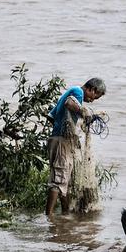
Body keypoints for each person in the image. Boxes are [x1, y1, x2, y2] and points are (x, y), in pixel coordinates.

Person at [46, 77, 106, 218]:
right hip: (62, 141)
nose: (92, 100)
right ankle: (48, 217)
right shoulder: (77, 91)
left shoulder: (73, 92)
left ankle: (66, 213)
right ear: (91, 89)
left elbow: (51, 116)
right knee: (58, 180)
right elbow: (69, 103)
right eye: (94, 97)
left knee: (64, 179)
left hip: (58, 140)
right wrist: (83, 112)